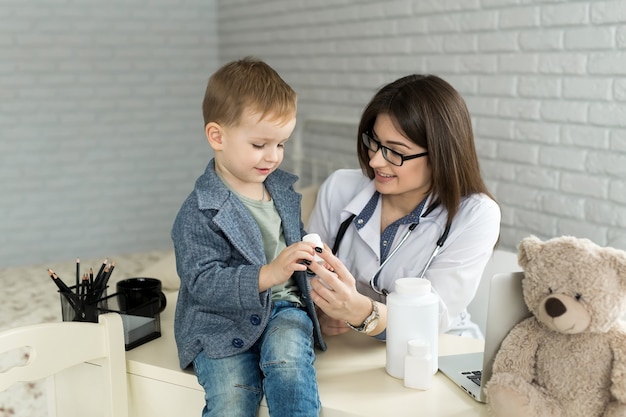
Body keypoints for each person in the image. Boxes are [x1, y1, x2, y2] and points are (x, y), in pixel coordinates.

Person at [171, 56, 326, 417]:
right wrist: (268, 274)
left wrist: (312, 256)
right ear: (217, 136)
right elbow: (202, 281)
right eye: (260, 144)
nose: (273, 156)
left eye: (281, 144)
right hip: (219, 322)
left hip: (284, 307)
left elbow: (292, 243)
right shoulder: (198, 211)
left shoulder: (282, 192)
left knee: (288, 363)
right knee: (232, 395)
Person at [306, 74, 501, 340]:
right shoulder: (340, 187)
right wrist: (320, 312)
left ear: (440, 154)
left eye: (395, 151)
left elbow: (433, 319)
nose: (375, 161)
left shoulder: (476, 215)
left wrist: (361, 312)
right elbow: (307, 278)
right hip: (352, 345)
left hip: (439, 350)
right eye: (374, 142)